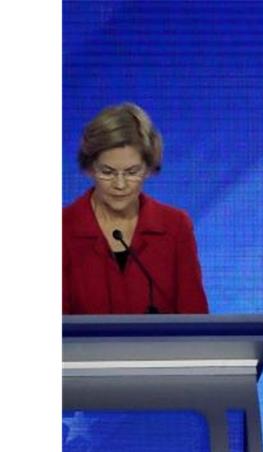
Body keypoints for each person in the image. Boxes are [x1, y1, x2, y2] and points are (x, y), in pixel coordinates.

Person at [63, 102, 208, 314]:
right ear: (90, 168)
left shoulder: (175, 227)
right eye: (107, 171)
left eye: (132, 172)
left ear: (148, 169)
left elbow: (196, 322)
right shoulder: (62, 229)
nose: (120, 184)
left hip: (164, 349)